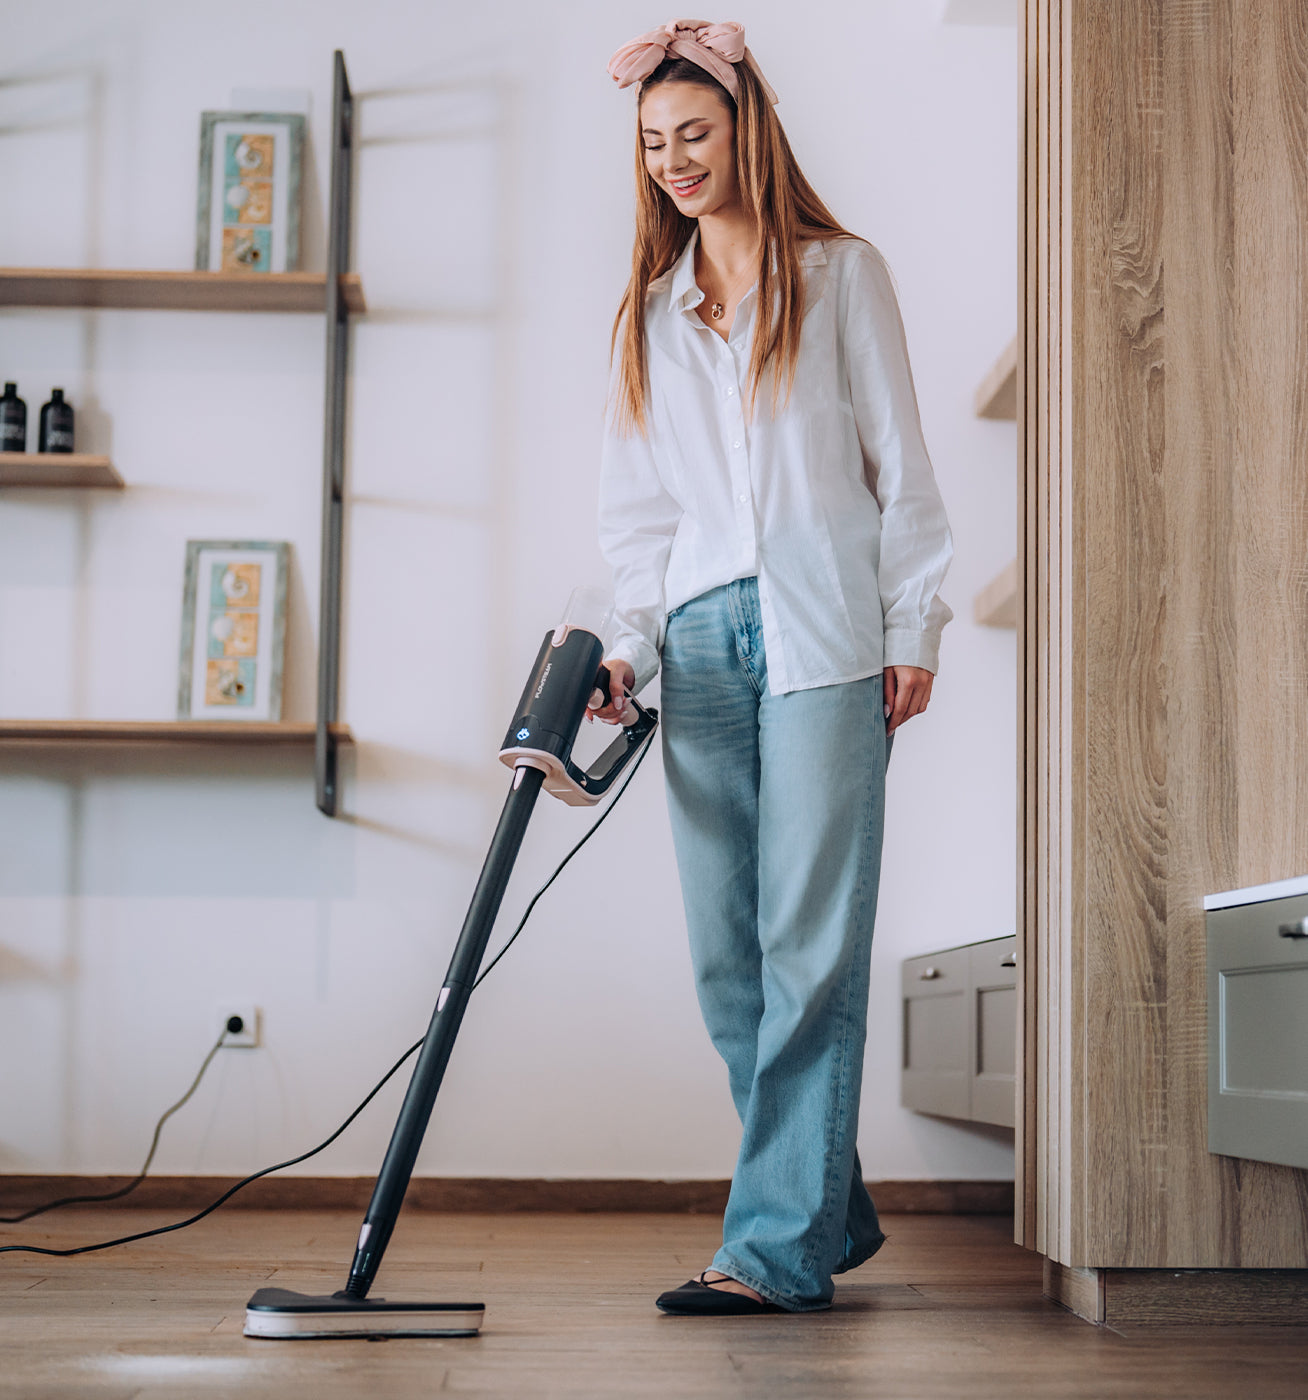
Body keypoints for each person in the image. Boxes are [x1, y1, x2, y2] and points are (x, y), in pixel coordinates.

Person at [592, 19, 953, 1315]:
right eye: (652, 143)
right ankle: (823, 1206)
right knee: (730, 966)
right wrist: (626, 652)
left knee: (811, 948)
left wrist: (914, 631)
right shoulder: (648, 317)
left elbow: (900, 474)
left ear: (747, 130)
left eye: (694, 133)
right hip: (697, 647)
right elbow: (639, 522)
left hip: (824, 638)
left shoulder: (844, 278)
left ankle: (772, 1252)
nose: (674, 160)